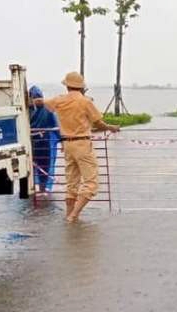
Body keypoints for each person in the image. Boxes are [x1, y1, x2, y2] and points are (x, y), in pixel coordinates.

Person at [39, 72, 120, 222]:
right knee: (91, 183)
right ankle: (74, 215)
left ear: (67, 86)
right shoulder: (85, 102)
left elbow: (41, 103)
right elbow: (98, 123)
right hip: (82, 144)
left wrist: (32, 100)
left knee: (72, 183)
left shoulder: (59, 100)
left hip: (67, 144)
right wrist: (110, 127)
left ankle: (69, 217)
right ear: (82, 87)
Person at [28, 85, 59, 192]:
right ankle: (42, 190)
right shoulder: (46, 109)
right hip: (42, 142)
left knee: (35, 167)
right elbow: (56, 126)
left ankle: (35, 190)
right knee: (43, 166)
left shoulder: (28, 110)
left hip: (32, 143)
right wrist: (62, 140)